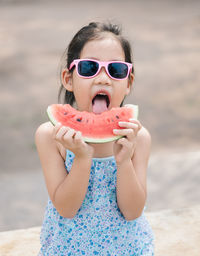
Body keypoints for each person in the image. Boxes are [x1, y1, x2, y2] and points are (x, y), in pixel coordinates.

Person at [35, 21, 154, 256]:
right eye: (89, 68)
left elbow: (132, 211)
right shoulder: (51, 136)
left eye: (116, 70)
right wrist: (81, 158)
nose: (103, 79)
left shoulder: (138, 138)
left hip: (127, 250)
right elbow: (67, 208)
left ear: (128, 82)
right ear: (68, 79)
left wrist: (124, 162)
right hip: (67, 250)